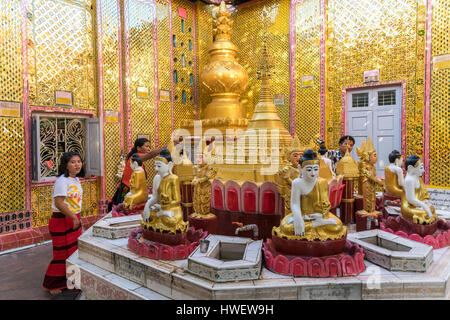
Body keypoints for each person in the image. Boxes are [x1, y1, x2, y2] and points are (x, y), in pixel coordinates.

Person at [43, 152, 85, 298]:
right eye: (73, 162)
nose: (77, 164)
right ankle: (52, 284)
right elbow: (59, 203)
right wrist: (74, 217)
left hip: (73, 219)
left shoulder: (76, 180)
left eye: (79, 161)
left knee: (74, 252)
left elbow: (74, 203)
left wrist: (77, 217)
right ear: (66, 165)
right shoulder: (62, 181)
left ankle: (72, 282)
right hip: (62, 220)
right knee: (61, 253)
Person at [109, 138, 162, 211]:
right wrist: (166, 147)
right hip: (128, 190)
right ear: (138, 148)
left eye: (149, 147)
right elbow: (152, 154)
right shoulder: (136, 158)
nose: (149, 149)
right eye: (146, 146)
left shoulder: (136, 158)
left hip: (129, 189)